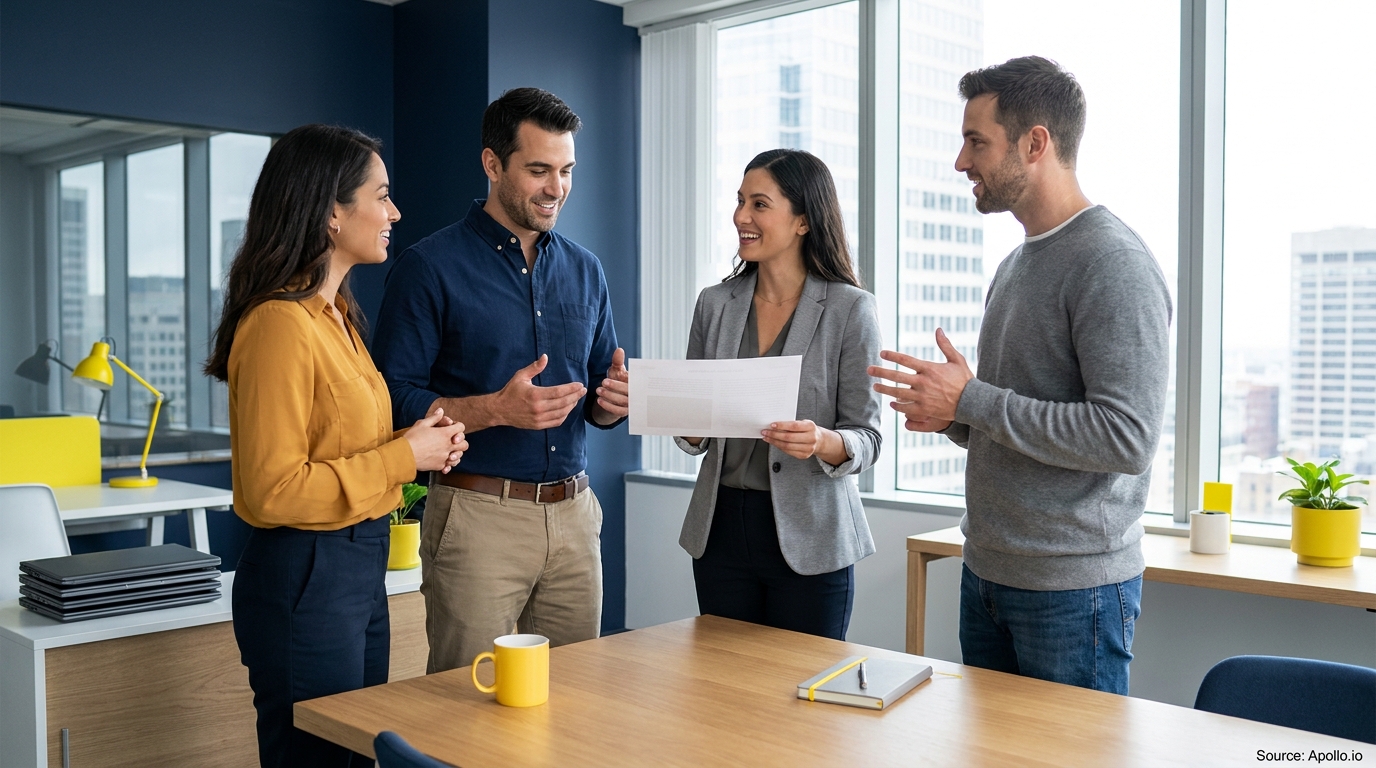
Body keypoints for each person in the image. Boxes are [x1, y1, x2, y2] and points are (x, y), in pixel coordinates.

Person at [869, 56, 1173, 694]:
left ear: (1035, 143)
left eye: (976, 141)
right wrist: (956, 416)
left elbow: (1126, 437)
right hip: (988, 575)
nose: (961, 162)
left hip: (1073, 594)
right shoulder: (1012, 267)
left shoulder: (1113, 263)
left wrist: (973, 397)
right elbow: (1012, 416)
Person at [205, 124, 467, 767]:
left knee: (354, 756)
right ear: (330, 212)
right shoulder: (278, 325)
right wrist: (406, 457)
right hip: (305, 573)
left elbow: (342, 450)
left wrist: (416, 446)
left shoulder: (338, 318)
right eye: (380, 196)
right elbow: (271, 491)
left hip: (356, 567)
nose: (394, 213)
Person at [372, 88, 628, 673]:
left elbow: (596, 398)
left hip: (576, 517)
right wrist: (493, 409)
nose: (556, 188)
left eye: (565, 171)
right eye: (538, 170)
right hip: (477, 517)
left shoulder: (587, 269)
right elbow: (389, 399)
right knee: (465, 705)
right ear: (493, 165)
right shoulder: (428, 267)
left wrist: (614, 401)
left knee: (574, 701)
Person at [672, 149, 882, 640]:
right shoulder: (715, 304)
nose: (741, 216)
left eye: (759, 204)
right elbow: (694, 433)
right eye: (740, 201)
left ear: (803, 220)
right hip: (720, 528)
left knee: (803, 698)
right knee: (726, 688)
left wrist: (821, 441)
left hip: (811, 534)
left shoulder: (851, 309)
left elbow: (868, 437)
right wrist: (672, 411)